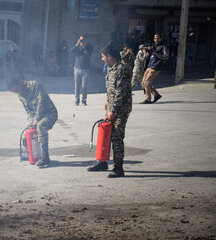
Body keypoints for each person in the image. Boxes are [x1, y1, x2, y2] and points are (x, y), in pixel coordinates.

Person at [87, 41, 132, 178]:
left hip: (121, 108)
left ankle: (118, 168)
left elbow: (120, 92)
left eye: (103, 56)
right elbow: (111, 88)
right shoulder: (111, 68)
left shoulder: (122, 69)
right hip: (112, 106)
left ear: (109, 56)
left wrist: (113, 111)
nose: (102, 59)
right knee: (105, 131)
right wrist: (108, 101)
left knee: (116, 136)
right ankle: (102, 162)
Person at [7, 77, 58, 167]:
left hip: (49, 114)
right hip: (36, 118)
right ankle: (32, 154)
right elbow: (29, 111)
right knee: (26, 135)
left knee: (40, 127)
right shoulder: (20, 95)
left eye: (17, 89)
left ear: (20, 83)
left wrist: (36, 120)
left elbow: (40, 103)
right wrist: (31, 121)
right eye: (14, 92)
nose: (17, 92)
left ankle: (45, 158)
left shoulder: (34, 85)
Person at [140, 33, 169, 104]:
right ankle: (156, 95)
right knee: (143, 82)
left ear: (161, 39)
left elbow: (166, 56)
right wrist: (147, 51)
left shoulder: (163, 47)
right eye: (155, 38)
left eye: (157, 38)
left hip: (156, 67)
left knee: (147, 83)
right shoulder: (154, 45)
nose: (156, 40)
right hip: (150, 65)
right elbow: (148, 55)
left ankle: (148, 99)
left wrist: (156, 54)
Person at [69, 34, 93, 106]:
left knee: (84, 86)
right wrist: (77, 44)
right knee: (77, 85)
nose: (82, 41)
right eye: (81, 39)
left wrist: (84, 46)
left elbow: (89, 55)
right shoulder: (77, 47)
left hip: (85, 69)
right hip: (77, 68)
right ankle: (77, 100)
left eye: (83, 40)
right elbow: (70, 51)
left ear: (86, 39)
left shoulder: (89, 47)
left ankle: (84, 100)